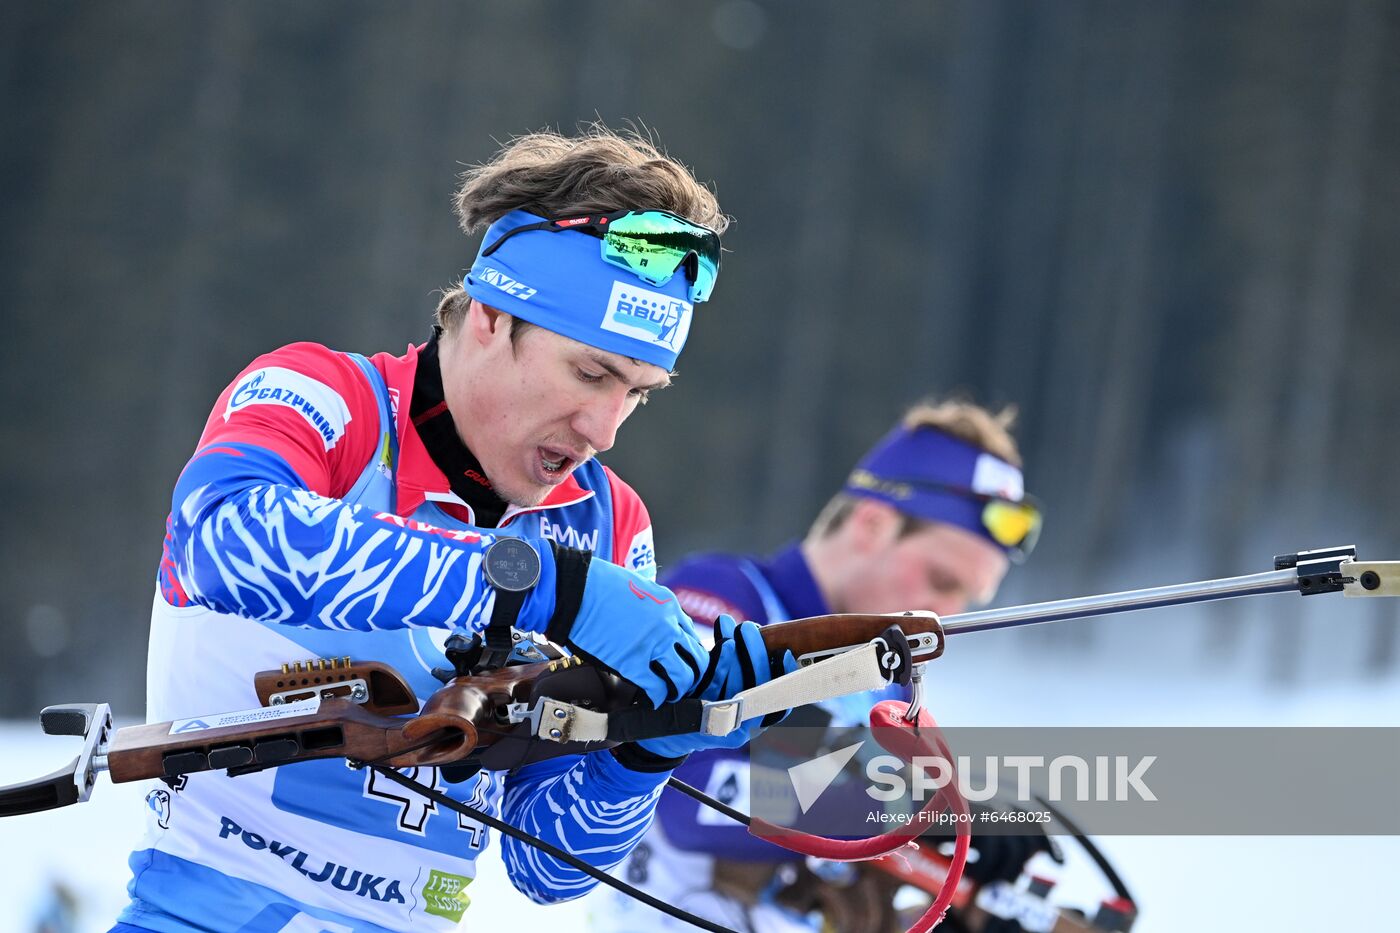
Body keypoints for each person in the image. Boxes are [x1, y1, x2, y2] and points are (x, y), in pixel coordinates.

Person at [111, 127, 791, 933]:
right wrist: (539, 586)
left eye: (640, 392)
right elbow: (226, 540)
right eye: (591, 372)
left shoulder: (609, 523)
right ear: (493, 317)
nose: (606, 428)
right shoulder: (327, 399)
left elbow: (545, 863)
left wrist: (653, 740)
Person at [596, 400, 1047, 933]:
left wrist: (945, 905)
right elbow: (688, 791)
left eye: (968, 599)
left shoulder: (892, 681)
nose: (945, 616)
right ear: (872, 525)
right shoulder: (723, 600)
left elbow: (837, 873)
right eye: (942, 582)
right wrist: (914, 806)